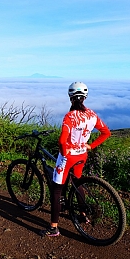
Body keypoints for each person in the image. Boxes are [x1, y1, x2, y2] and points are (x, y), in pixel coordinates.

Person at [40, 81, 111, 237]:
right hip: (82, 155)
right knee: (77, 182)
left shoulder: (70, 117)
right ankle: (83, 214)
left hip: (68, 157)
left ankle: (53, 228)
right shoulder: (92, 115)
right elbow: (106, 132)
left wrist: (64, 154)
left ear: (70, 97)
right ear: (84, 98)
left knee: (57, 190)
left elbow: (61, 141)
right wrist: (91, 146)